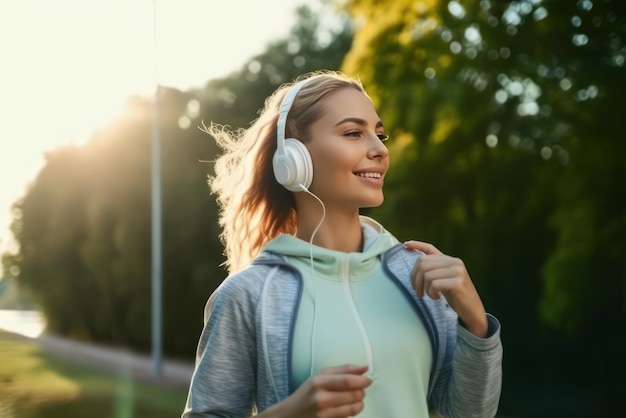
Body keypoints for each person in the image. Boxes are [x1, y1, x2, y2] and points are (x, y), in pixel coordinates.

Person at [182, 70, 502, 417]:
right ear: (294, 160)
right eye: (353, 133)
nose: (379, 150)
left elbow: (468, 414)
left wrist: (475, 324)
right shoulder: (249, 295)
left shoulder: (421, 276)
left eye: (381, 135)